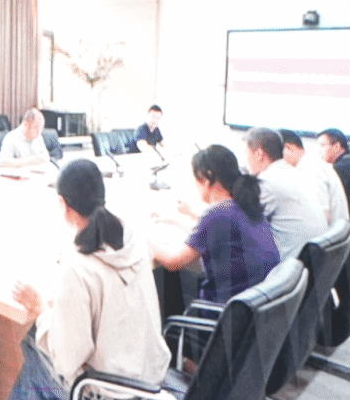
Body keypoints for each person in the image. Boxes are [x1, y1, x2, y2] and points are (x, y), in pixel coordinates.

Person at [0, 160, 170, 400]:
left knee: (34, 343)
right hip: (151, 385)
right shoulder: (132, 237)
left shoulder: (76, 268)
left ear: (63, 204)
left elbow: (68, 361)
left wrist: (40, 308)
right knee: (44, 344)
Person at [148, 144, 279, 307]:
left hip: (225, 312)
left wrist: (141, 239)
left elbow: (173, 261)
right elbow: (211, 237)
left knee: (169, 280)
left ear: (205, 178)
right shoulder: (246, 204)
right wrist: (174, 221)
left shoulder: (216, 214)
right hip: (253, 307)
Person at [243, 125, 325, 263]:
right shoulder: (295, 174)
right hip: (311, 264)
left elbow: (240, 222)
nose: (245, 162)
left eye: (246, 153)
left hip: (290, 267)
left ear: (259, 154)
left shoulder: (267, 182)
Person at [280, 129, 348, 230]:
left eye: (322, 145)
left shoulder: (313, 171)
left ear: (288, 147)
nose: (319, 150)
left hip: (334, 233)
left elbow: (323, 216)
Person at [319, 128, 350, 202]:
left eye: (322, 145)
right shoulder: (346, 162)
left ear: (336, 146)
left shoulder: (341, 168)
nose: (319, 150)